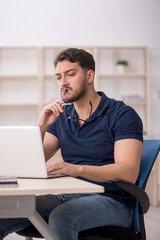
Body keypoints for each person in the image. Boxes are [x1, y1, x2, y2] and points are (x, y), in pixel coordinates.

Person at [0, 48, 143, 240]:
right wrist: (41, 125)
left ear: (89, 75)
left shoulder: (122, 115)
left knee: (61, 218)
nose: (63, 83)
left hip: (115, 202)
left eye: (70, 74)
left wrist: (76, 170)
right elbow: (30, 162)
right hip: (70, 196)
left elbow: (128, 172)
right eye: (58, 77)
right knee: (6, 210)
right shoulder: (62, 118)